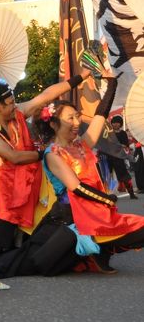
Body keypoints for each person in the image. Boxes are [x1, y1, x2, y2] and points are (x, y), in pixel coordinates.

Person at [0, 67, 91, 252]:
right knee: (0, 243)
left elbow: (46, 95)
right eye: (10, 103)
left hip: (33, 183)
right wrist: (43, 153)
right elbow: (15, 157)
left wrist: (81, 77)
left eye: (14, 102)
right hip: (6, 193)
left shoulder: (17, 113)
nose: (15, 105)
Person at [42, 74, 144, 272]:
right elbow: (77, 188)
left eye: (77, 117)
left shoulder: (82, 144)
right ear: (54, 123)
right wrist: (106, 199)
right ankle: (99, 247)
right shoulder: (52, 154)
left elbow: (99, 116)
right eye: (70, 118)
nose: (77, 122)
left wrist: (112, 84)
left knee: (135, 227)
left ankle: (103, 248)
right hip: (74, 216)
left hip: (95, 210)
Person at [106, 115, 137, 199]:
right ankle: (106, 194)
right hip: (107, 156)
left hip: (118, 156)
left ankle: (131, 193)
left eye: (117, 123)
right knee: (106, 175)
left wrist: (117, 145)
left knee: (124, 175)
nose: (115, 124)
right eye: (113, 123)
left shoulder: (123, 133)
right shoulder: (108, 132)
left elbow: (125, 144)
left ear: (120, 124)